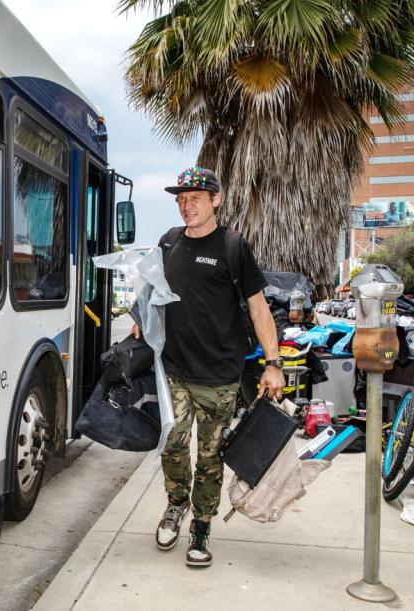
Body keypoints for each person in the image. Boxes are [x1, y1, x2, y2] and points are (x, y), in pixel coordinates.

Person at [131, 165, 285, 567]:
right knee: (174, 445)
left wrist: (274, 363)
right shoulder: (168, 243)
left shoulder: (234, 247)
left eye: (196, 198)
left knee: (211, 455)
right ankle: (176, 504)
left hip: (219, 375)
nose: (187, 206)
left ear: (215, 200)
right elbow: (150, 289)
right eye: (181, 199)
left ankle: (201, 524)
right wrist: (138, 316)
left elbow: (258, 309)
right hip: (174, 370)